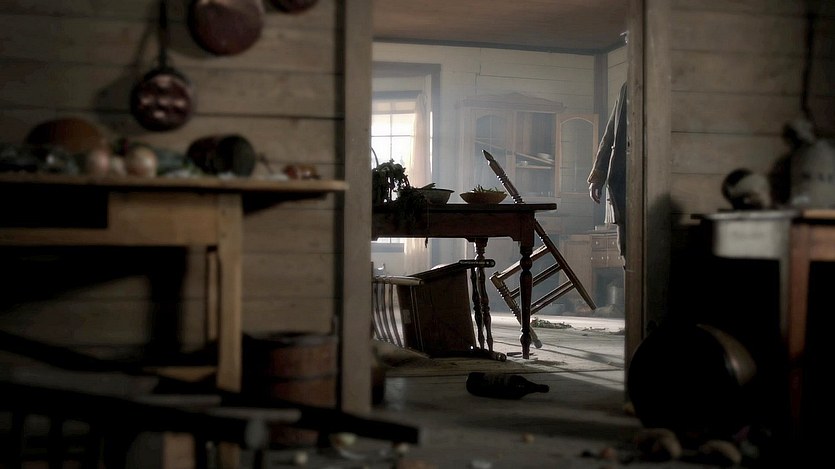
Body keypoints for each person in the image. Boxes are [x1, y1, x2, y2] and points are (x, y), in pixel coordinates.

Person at [588, 81, 627, 259]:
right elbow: (611, 134)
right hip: (625, 178)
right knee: (626, 244)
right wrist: (598, 175)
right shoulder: (628, 87)